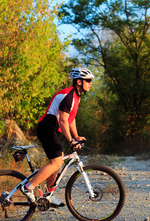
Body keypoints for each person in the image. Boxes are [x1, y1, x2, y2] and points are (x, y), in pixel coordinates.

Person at [19, 68, 94, 206]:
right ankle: (28, 187)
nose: (90, 83)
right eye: (88, 80)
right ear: (79, 81)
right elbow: (63, 120)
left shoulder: (76, 96)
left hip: (53, 129)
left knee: (57, 163)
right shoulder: (69, 95)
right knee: (56, 162)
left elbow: (71, 119)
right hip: (47, 128)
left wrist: (76, 136)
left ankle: (47, 195)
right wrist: (71, 141)